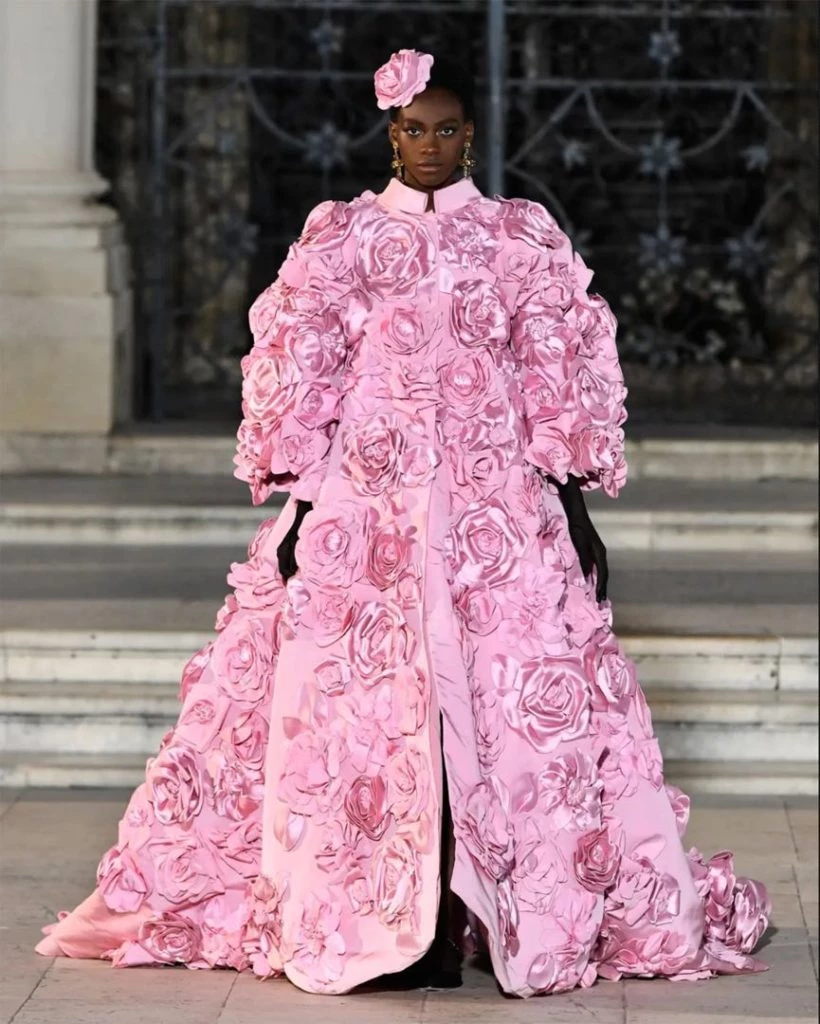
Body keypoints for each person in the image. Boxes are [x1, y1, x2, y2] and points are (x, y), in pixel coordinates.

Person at [35, 49, 772, 998]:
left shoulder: (516, 237)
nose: (430, 144)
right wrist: (301, 499)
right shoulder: (341, 238)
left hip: (494, 507)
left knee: (492, 710)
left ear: (470, 136)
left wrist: (574, 503)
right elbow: (306, 365)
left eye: (447, 129)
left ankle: (463, 918)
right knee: (369, 716)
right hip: (366, 507)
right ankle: (389, 922)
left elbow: (553, 367)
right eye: (414, 129)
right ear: (392, 134)